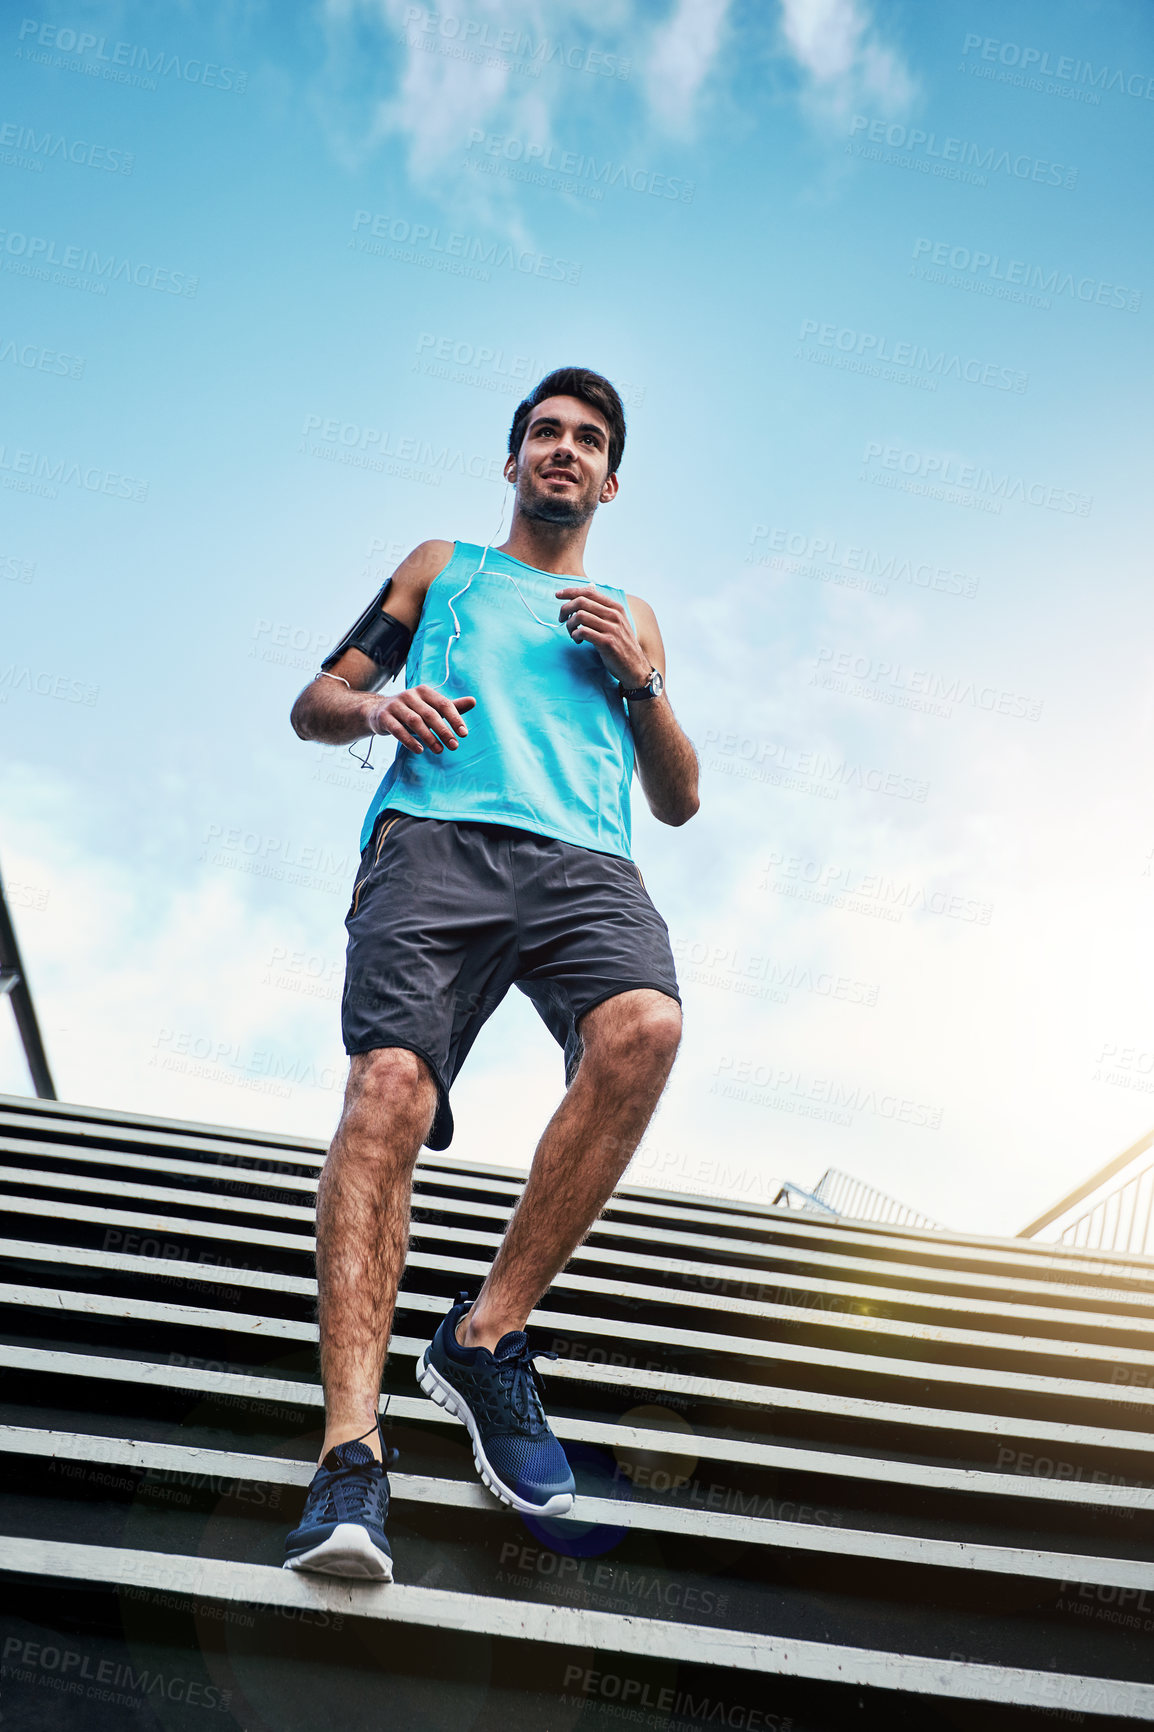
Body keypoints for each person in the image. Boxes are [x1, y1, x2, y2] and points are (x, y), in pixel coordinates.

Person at [281, 366, 699, 1579]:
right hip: (434, 848)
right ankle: (349, 1459)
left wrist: (642, 674)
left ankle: (486, 1333)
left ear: (609, 480)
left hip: (584, 863)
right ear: (512, 459)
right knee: (388, 1093)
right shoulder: (441, 567)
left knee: (645, 1030)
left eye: (586, 441)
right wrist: (377, 712)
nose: (562, 451)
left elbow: (676, 799)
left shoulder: (631, 612)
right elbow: (315, 700)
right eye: (543, 434)